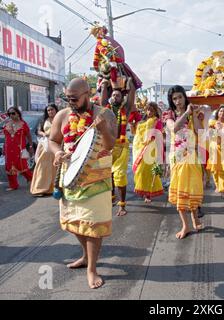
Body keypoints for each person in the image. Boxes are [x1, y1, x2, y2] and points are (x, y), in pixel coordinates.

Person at [49, 78, 117, 289]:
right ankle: (86, 257)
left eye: (74, 98)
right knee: (75, 223)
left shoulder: (105, 114)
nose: (71, 102)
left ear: (88, 94)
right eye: (68, 98)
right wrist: (58, 152)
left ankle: (92, 269)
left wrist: (104, 129)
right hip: (71, 179)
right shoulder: (62, 115)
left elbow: (111, 144)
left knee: (93, 226)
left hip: (97, 180)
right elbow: (52, 140)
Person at [164, 85, 204, 239]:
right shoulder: (169, 114)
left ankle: (194, 219)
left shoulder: (192, 112)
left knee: (192, 189)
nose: (178, 101)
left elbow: (200, 132)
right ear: (171, 101)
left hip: (192, 157)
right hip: (178, 158)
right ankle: (185, 225)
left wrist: (193, 114)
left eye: (180, 97)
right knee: (180, 190)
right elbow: (173, 128)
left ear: (185, 98)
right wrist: (187, 113)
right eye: (174, 99)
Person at [101, 86, 131, 216]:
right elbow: (102, 100)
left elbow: (131, 99)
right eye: (113, 95)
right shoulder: (105, 110)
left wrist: (130, 83)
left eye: (117, 95)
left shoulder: (126, 110)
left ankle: (122, 205)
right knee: (109, 174)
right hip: (108, 145)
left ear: (122, 98)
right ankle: (112, 197)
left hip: (122, 145)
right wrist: (104, 84)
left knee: (119, 175)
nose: (115, 97)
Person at [132, 102, 164, 203]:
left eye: (151, 110)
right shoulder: (142, 122)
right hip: (140, 148)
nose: (149, 112)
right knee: (140, 171)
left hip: (151, 149)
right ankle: (144, 191)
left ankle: (148, 194)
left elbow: (159, 136)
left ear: (155, 111)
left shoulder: (156, 121)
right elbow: (135, 134)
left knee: (149, 172)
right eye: (148, 110)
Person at [2, 107, 34, 191]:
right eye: (9, 114)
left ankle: (32, 179)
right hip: (8, 148)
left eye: (13, 113)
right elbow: (6, 137)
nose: (11, 115)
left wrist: (30, 146)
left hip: (19, 148)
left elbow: (29, 136)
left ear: (18, 113)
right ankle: (13, 185)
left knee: (22, 165)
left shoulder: (23, 124)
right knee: (9, 166)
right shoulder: (7, 123)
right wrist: (3, 147)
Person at [30, 104, 58, 196]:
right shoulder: (44, 120)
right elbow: (38, 131)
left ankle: (53, 188)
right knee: (42, 166)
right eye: (48, 110)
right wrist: (43, 134)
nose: (50, 112)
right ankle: (40, 188)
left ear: (55, 110)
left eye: (52, 110)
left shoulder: (59, 118)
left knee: (55, 167)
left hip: (57, 145)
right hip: (45, 145)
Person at [206, 106, 224, 198]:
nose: (222, 113)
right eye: (220, 111)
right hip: (214, 148)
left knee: (223, 170)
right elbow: (209, 135)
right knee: (215, 171)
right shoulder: (212, 123)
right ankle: (219, 187)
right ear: (217, 113)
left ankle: (223, 189)